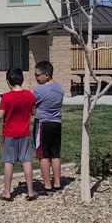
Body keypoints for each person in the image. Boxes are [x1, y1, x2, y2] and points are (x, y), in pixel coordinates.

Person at [0, 68, 37, 201]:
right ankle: (30, 191)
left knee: (9, 162)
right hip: (24, 133)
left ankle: (7, 192)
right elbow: (33, 112)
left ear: (8, 82)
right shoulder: (29, 95)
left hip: (9, 133)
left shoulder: (6, 97)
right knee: (26, 161)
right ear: (22, 80)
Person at [33, 61, 64, 196]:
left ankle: (47, 186)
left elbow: (32, 106)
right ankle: (57, 184)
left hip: (43, 123)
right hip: (57, 123)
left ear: (46, 75)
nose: (36, 78)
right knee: (55, 154)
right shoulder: (60, 87)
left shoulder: (39, 90)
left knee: (43, 155)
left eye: (37, 75)